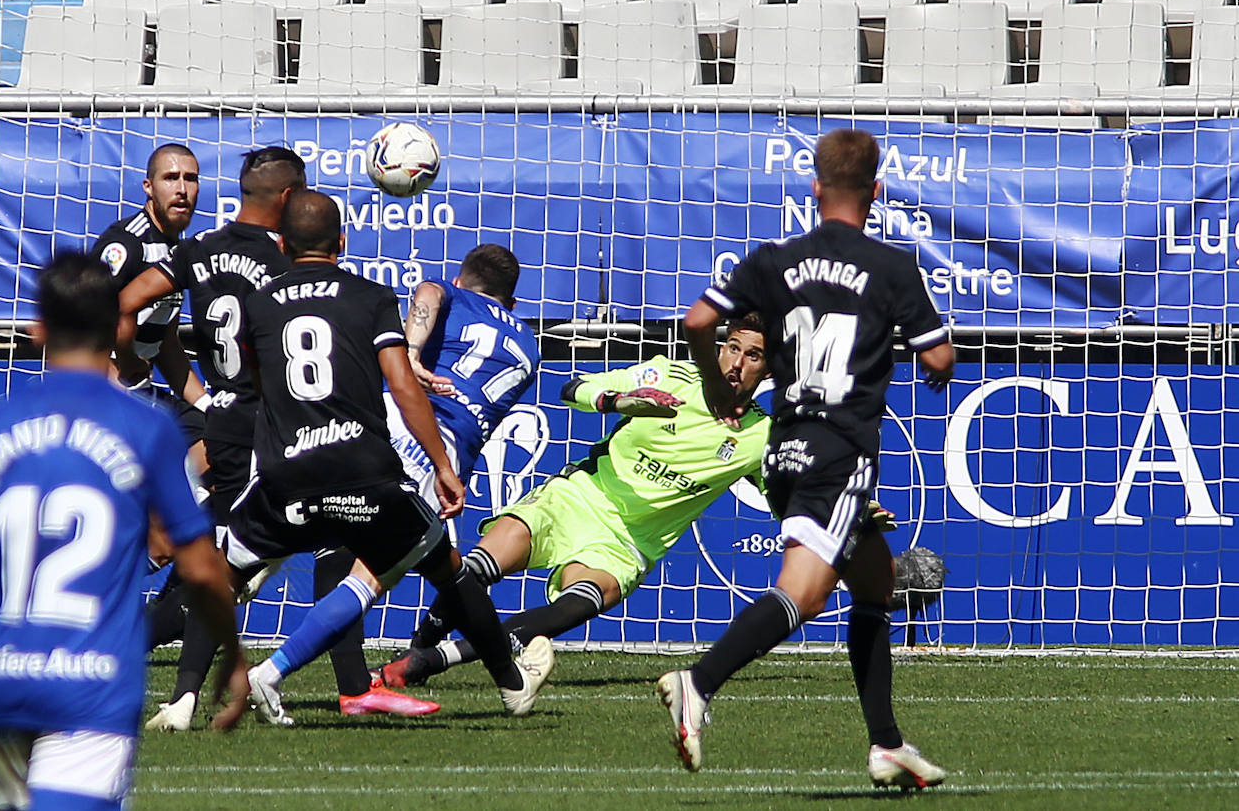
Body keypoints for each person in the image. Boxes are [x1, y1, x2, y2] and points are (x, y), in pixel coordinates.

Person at [0, 252, 248, 811]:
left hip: (5, 678)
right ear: (118, 328)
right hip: (93, 682)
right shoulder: (145, 426)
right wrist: (232, 654)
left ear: (37, 329)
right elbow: (196, 561)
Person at [657, 128, 955, 789]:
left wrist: (715, 385)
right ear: (876, 192)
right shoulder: (891, 267)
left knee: (874, 585)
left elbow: (699, 321)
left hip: (785, 449)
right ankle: (697, 683)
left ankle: (886, 744)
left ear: (815, 190)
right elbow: (938, 357)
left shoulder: (771, 261)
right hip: (840, 449)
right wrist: (920, 352)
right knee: (805, 593)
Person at [221, 190, 552, 726]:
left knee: (429, 565)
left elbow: (427, 292)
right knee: (383, 570)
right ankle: (280, 672)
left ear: (466, 280)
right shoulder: (529, 347)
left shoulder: (447, 292)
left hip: (363, 434)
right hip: (423, 445)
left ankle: (510, 683)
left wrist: (416, 348)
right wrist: (443, 461)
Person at [380, 315, 772, 688]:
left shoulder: (762, 437)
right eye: (732, 347)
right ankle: (418, 648)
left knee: (575, 606)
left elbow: (791, 502)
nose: (736, 363)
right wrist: (617, 401)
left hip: (626, 544)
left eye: (752, 355)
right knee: (477, 568)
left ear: (767, 371)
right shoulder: (669, 376)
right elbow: (573, 388)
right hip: (575, 498)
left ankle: (425, 663)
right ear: (718, 349)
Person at [116, 146, 310, 730]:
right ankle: (180, 691)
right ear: (286, 198)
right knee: (246, 564)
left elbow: (124, 303)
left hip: (222, 420)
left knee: (231, 564)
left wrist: (133, 366)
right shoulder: (283, 263)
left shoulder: (199, 250)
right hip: (267, 426)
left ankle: (155, 670)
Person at [92, 142, 209, 472]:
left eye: (191, 179)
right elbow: (91, 327)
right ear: (148, 187)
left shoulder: (180, 249)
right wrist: (125, 373)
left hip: (140, 388)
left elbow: (165, 342)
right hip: (106, 392)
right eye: (171, 178)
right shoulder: (126, 245)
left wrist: (206, 404)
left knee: (214, 447)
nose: (182, 189)